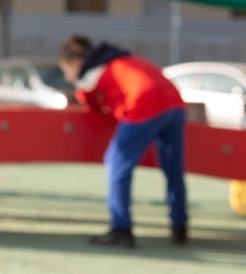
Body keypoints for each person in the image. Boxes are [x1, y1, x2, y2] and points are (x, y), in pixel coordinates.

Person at [57, 35, 188, 247]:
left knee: (117, 162)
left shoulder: (91, 72)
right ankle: (179, 226)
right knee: (173, 167)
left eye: (67, 72)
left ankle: (121, 228)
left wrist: (79, 92)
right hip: (174, 103)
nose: (69, 78)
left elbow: (87, 98)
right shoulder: (120, 60)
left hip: (145, 102)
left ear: (76, 64)